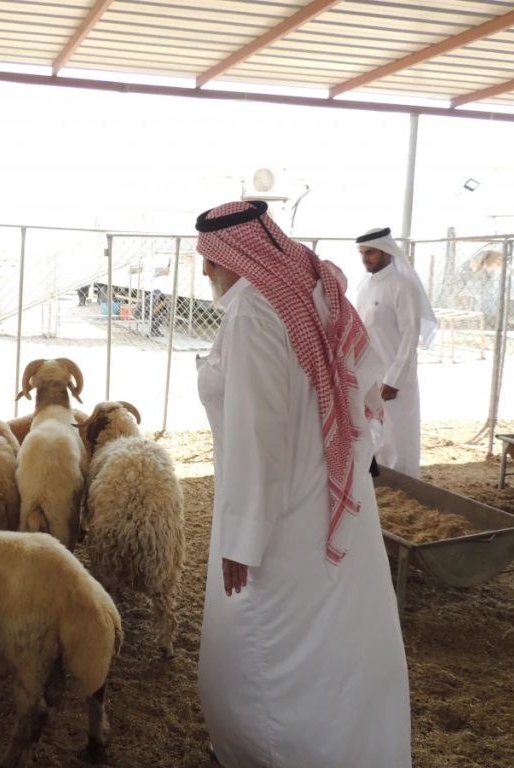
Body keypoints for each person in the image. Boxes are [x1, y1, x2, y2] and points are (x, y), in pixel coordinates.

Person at [194, 200, 410, 768]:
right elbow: (359, 374)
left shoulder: (252, 312)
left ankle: (273, 750)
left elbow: (256, 433)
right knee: (337, 633)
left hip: (282, 509)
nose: (205, 270)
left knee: (273, 640)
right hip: (333, 488)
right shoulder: (314, 284)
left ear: (232, 255)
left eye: (209, 259)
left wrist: (242, 538)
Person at [354, 227, 437, 478]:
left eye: (371, 253)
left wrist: (394, 379)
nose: (365, 258)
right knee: (373, 429)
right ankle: (380, 481)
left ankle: (404, 481)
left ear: (387, 252)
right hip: (369, 372)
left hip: (394, 375)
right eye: (362, 253)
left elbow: (410, 337)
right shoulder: (364, 286)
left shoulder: (403, 286)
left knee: (398, 433)